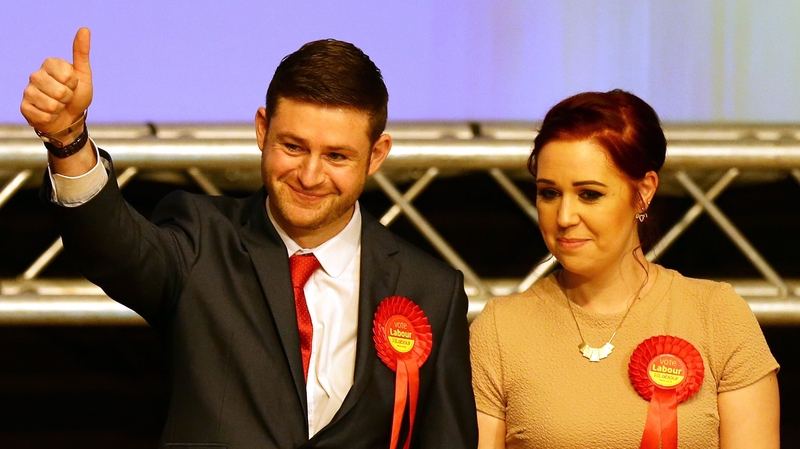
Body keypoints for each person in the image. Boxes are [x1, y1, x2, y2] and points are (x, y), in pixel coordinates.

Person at [21, 28, 478, 448]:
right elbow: (114, 249)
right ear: (262, 129)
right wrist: (68, 139)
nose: (310, 175)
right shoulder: (202, 238)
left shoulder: (431, 291)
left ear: (377, 155)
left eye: (337, 155)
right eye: (293, 146)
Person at [470, 90, 780, 449]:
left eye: (589, 194)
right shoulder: (500, 329)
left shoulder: (717, 315)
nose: (565, 217)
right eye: (549, 193)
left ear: (644, 191)